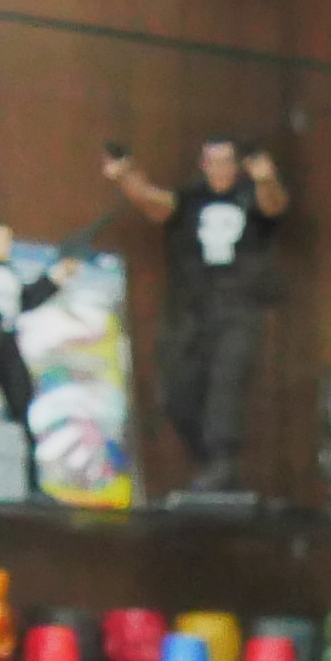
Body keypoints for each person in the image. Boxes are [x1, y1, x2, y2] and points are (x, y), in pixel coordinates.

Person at [103, 134, 289, 498]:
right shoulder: (189, 200)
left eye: (226, 161)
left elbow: (275, 206)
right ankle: (211, 464)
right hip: (190, 310)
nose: (219, 169)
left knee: (226, 382)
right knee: (176, 389)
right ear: (202, 165)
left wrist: (266, 178)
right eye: (212, 161)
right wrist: (126, 175)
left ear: (237, 166)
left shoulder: (252, 199)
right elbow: (152, 201)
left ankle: (222, 461)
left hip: (239, 308)